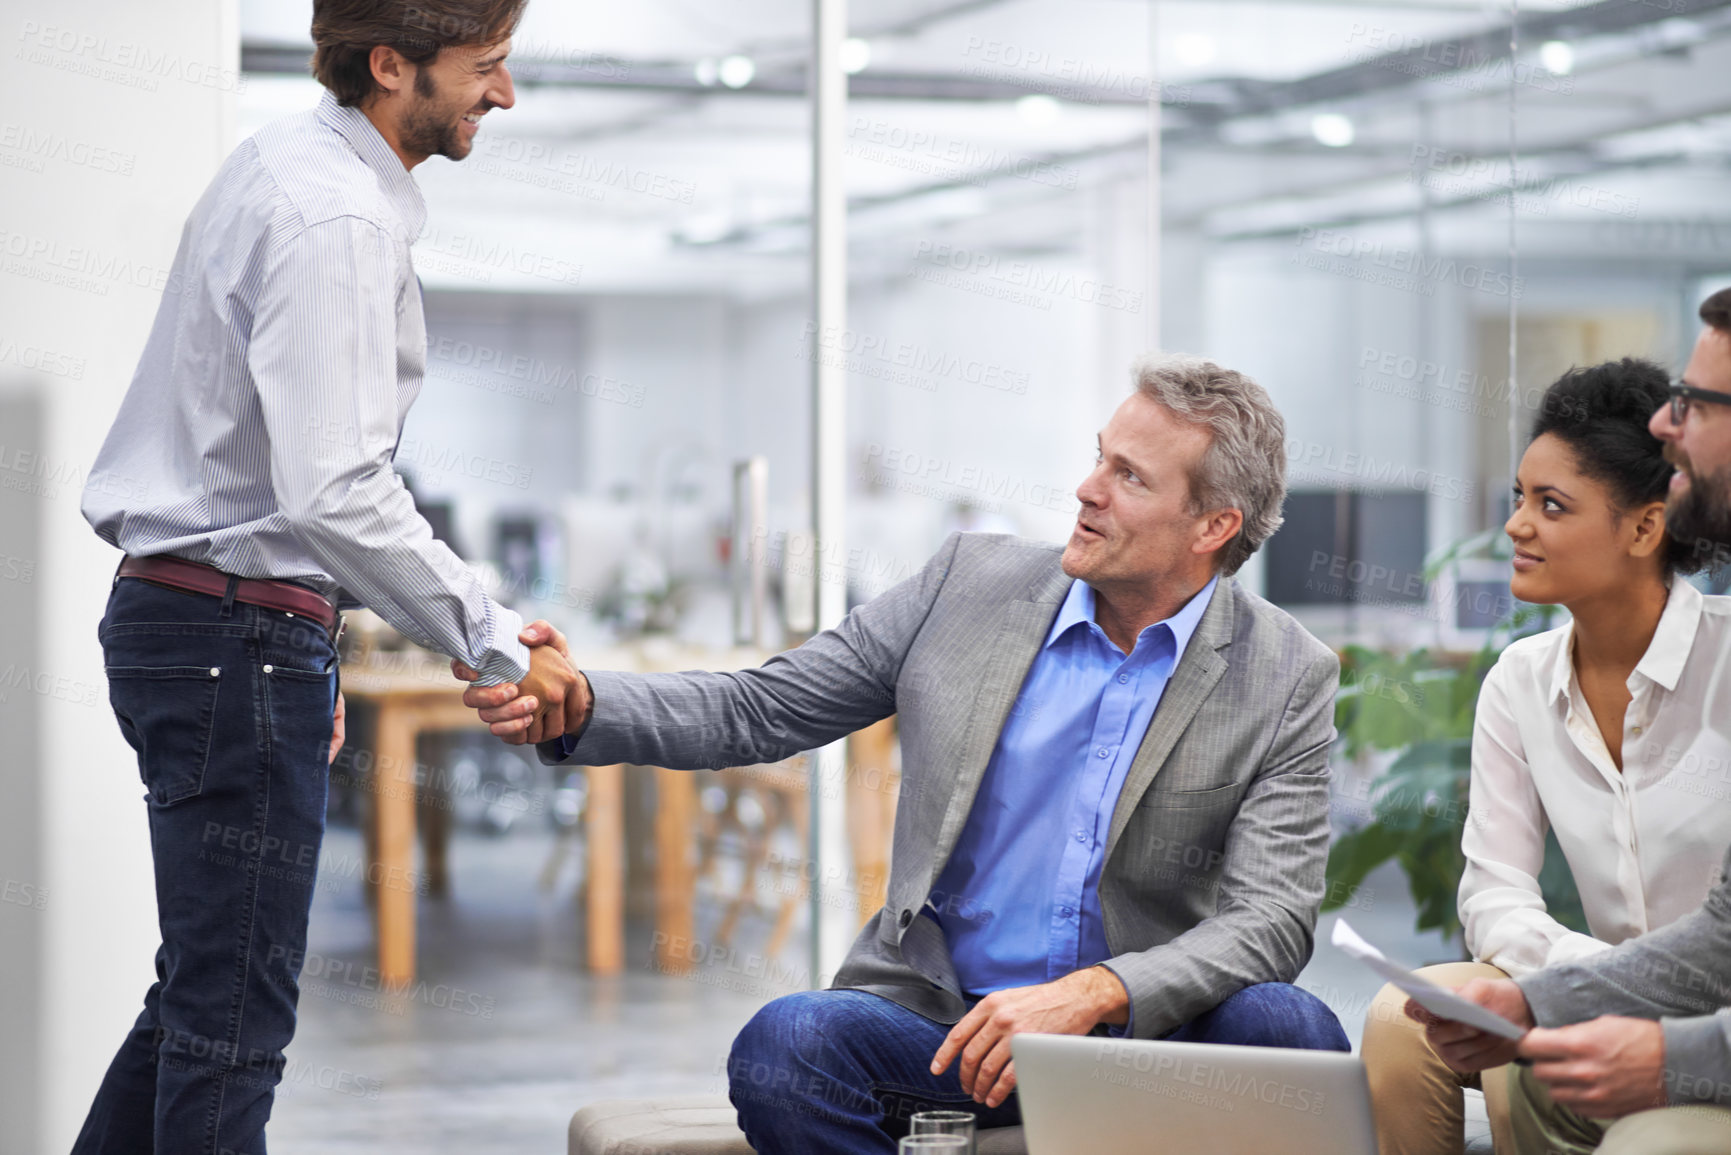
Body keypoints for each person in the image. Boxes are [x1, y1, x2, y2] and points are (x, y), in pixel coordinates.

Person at [463, 355, 1350, 1154]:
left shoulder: (1285, 674)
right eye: (1097, 456)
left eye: (1127, 476)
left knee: (1288, 1027)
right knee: (789, 1047)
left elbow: (1268, 920)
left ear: (1211, 527)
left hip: (1146, 1035)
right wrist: (587, 702)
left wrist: (1099, 990)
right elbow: (764, 704)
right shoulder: (968, 583)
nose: (1086, 488)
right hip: (944, 1034)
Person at [73, 3, 585, 1151]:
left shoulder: (284, 167)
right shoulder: (334, 217)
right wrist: (492, 634)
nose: (503, 95)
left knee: (199, 1002)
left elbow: (284, 491)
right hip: (226, 632)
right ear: (391, 63)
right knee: (233, 1021)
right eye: (486, 69)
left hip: (215, 624)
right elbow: (333, 489)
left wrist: (312, 633)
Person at [1361, 360, 1731, 1155]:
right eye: (1519, 499)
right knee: (1404, 1022)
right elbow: (1492, 892)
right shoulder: (1519, 681)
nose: (1516, 527)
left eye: (1551, 505)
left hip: (1714, 1013)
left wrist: (1556, 994)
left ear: (1644, 527)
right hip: (1582, 977)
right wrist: (1577, 979)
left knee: (1520, 1044)